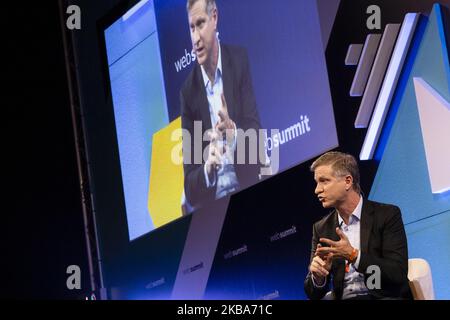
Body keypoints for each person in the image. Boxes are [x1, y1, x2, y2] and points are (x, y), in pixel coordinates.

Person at [180, 0, 262, 209]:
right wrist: (207, 169)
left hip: (250, 191)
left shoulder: (238, 61)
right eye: (191, 28)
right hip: (215, 210)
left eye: (200, 24)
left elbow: (259, 143)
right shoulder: (188, 93)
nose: (196, 38)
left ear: (214, 17)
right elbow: (189, 186)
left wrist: (233, 133)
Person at [304, 151, 412, 300]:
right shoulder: (322, 228)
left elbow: (397, 273)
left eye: (324, 181)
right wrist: (318, 277)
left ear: (348, 181)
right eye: (317, 182)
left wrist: (354, 255)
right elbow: (312, 293)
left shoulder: (386, 215)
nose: (317, 190)